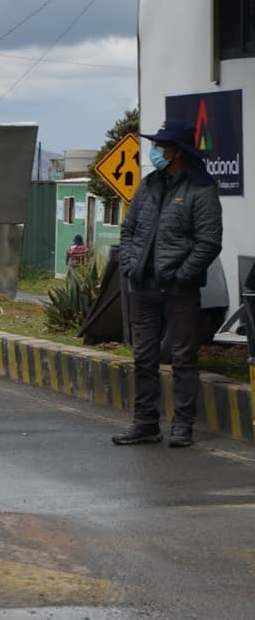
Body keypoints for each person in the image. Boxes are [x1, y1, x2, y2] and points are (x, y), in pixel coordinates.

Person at [113, 120, 222, 448]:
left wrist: (182, 275)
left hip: (179, 291)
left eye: (162, 147)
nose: (157, 151)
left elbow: (209, 242)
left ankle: (182, 426)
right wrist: (131, 265)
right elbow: (129, 230)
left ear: (176, 152)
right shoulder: (148, 186)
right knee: (143, 357)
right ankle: (146, 423)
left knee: (182, 358)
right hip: (142, 288)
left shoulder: (201, 190)